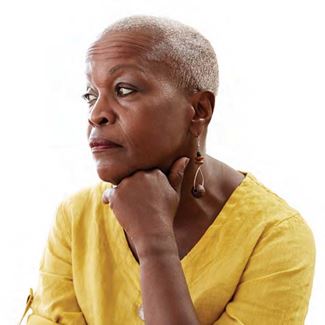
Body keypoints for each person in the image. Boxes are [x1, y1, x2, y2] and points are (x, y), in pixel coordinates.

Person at [19, 15, 315, 325]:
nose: (96, 114)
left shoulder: (275, 235)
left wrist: (155, 246)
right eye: (91, 95)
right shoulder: (75, 217)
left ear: (199, 110)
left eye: (124, 90)